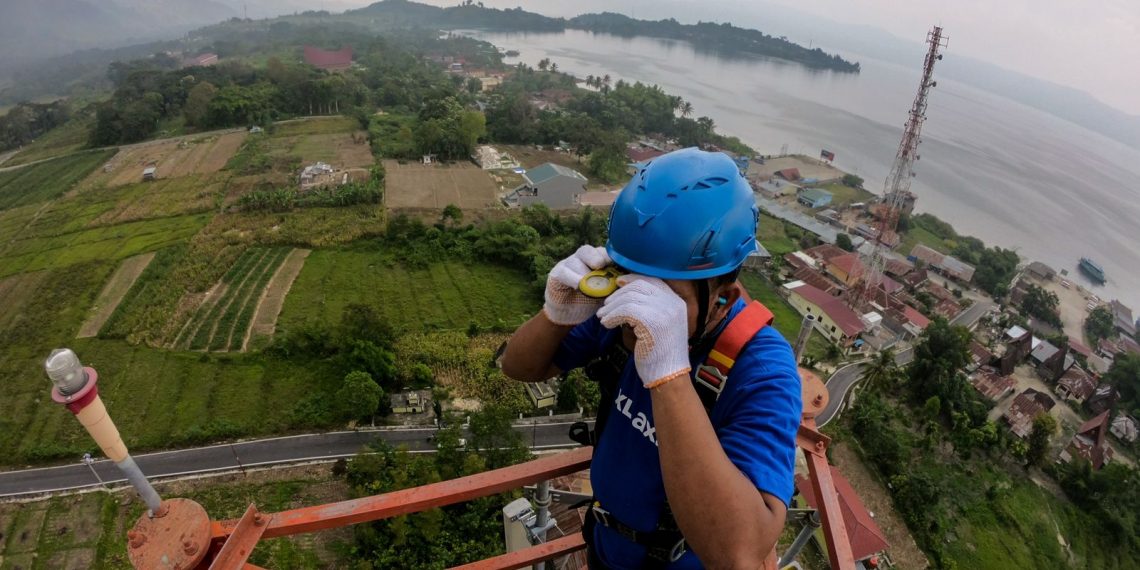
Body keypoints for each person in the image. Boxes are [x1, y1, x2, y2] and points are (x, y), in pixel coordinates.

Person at [501, 148, 802, 569]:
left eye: (663, 298)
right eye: (632, 283)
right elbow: (519, 367)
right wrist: (556, 315)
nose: (639, 311)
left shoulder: (762, 370)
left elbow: (739, 556)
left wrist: (669, 374)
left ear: (722, 299)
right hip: (605, 545)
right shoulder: (619, 320)